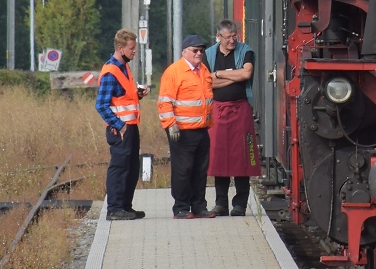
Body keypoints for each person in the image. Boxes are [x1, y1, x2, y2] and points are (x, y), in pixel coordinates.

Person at [205, 20, 261, 216]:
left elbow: (246, 73)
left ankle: (240, 204)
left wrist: (220, 74)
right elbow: (206, 82)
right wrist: (232, 76)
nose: (232, 40)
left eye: (234, 36)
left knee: (242, 157)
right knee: (219, 158)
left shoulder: (246, 51)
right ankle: (221, 203)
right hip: (218, 111)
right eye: (228, 37)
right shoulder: (209, 54)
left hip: (240, 109)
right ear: (218, 37)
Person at [157, 34, 216, 219]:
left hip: (201, 129)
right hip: (181, 131)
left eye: (201, 50)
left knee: (200, 170)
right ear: (184, 52)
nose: (199, 53)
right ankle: (181, 208)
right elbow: (165, 102)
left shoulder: (204, 70)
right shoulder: (174, 72)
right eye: (195, 50)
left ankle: (199, 206)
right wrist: (170, 125)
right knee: (183, 170)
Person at [96, 28, 149, 221]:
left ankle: (125, 206)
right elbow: (101, 105)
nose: (134, 51)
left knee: (131, 168)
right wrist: (119, 125)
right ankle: (114, 208)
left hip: (131, 127)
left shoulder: (124, 67)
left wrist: (138, 95)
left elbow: (122, 98)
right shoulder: (111, 71)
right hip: (120, 130)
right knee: (119, 168)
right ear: (120, 48)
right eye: (132, 48)